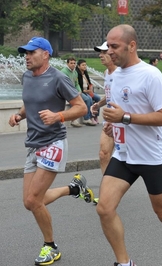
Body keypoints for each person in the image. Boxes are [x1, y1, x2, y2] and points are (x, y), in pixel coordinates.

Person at [96, 25, 162, 266]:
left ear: (132, 46)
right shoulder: (114, 76)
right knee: (104, 209)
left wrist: (125, 118)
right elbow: (120, 111)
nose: (109, 52)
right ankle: (125, 263)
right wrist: (114, 125)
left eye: (114, 46)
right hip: (124, 155)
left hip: (152, 157)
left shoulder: (151, 75)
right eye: (107, 46)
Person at [9, 36, 93, 265]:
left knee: (35, 200)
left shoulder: (58, 78)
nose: (26, 56)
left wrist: (59, 116)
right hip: (33, 143)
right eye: (25, 53)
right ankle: (73, 188)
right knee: (29, 201)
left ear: (45, 54)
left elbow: (81, 106)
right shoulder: (27, 76)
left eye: (31, 52)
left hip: (53, 143)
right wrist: (19, 114)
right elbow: (30, 102)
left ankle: (50, 246)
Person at [90, 41, 117, 175]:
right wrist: (98, 104)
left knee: (133, 159)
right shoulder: (107, 72)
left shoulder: (121, 73)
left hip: (124, 121)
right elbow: (109, 95)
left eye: (104, 52)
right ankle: (108, 188)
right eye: (100, 52)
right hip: (109, 120)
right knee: (104, 154)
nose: (101, 55)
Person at [60, 57, 96, 126]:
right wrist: (75, 92)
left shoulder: (75, 72)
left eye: (74, 63)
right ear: (67, 64)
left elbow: (76, 83)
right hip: (67, 92)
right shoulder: (64, 72)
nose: (73, 65)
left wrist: (79, 91)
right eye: (71, 63)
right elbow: (65, 85)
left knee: (88, 98)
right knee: (83, 99)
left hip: (74, 92)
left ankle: (86, 118)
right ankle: (76, 120)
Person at [76, 59, 101, 124]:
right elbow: (79, 87)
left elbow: (89, 83)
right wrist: (87, 91)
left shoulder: (85, 74)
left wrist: (90, 90)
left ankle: (95, 115)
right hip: (82, 91)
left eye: (85, 65)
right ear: (78, 66)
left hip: (88, 91)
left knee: (98, 98)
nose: (85, 66)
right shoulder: (77, 74)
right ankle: (88, 118)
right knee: (88, 99)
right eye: (83, 65)